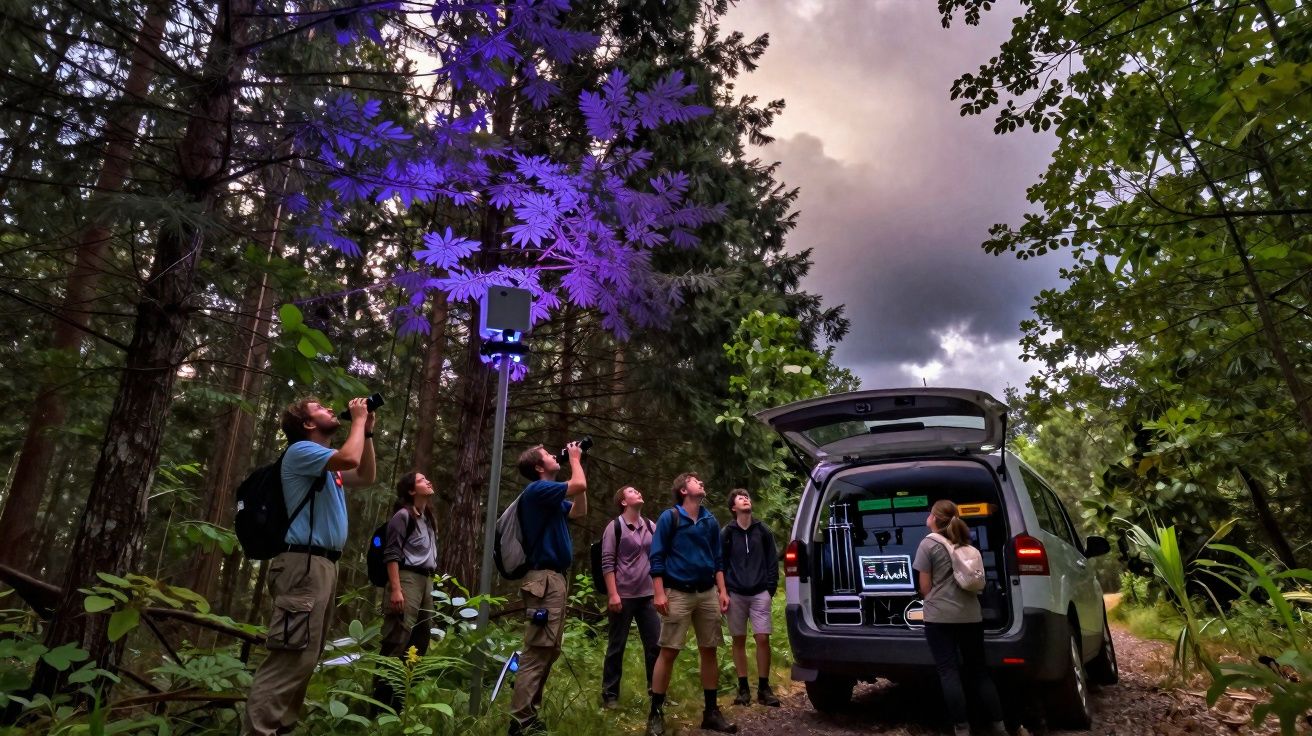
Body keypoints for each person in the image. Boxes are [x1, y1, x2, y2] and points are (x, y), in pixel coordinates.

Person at [243, 396, 377, 736]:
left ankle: (280, 730)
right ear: (307, 424)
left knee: (305, 657)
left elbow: (364, 474)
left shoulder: (324, 465)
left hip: (320, 567)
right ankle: (258, 731)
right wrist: (358, 420)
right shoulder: (301, 452)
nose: (332, 410)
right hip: (302, 564)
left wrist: (368, 432)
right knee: (290, 657)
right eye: (321, 409)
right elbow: (349, 456)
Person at [645, 472, 737, 736]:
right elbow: (657, 556)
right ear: (683, 490)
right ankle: (655, 714)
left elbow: (717, 558)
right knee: (669, 651)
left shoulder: (709, 520)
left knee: (709, 649)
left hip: (707, 592)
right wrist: (659, 593)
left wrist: (722, 590)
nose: (701, 483)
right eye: (695, 481)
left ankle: (711, 712)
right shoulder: (669, 518)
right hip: (678, 593)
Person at [508, 442, 587, 736]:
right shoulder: (537, 491)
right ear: (539, 468)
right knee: (537, 650)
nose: (557, 456)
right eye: (549, 456)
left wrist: (579, 467)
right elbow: (577, 484)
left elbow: (579, 510)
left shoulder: (550, 496)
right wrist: (576, 461)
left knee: (549, 649)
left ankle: (529, 715)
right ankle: (520, 722)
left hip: (553, 580)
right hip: (543, 581)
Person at [914, 500, 1007, 736]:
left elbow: (924, 586)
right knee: (978, 671)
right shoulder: (967, 545)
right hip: (971, 616)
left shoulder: (928, 544)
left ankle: (962, 728)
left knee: (949, 671)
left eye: (930, 513)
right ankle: (999, 726)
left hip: (939, 618)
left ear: (934, 518)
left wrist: (933, 598)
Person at [372, 471, 439, 713]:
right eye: (422, 480)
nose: (428, 481)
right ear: (411, 491)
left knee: (420, 640)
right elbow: (392, 553)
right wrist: (396, 590)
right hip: (406, 578)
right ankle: (379, 706)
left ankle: (400, 701)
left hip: (426, 581)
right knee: (397, 639)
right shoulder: (402, 516)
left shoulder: (427, 517)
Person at [599, 485, 659, 708]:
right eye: (632, 492)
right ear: (623, 502)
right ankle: (610, 695)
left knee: (654, 645)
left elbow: (658, 559)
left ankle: (657, 692)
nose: (639, 493)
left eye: (638, 491)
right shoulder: (614, 527)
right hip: (623, 596)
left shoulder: (651, 526)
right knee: (617, 645)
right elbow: (607, 563)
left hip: (648, 595)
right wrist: (613, 594)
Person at [721, 489, 780, 708]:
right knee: (738, 640)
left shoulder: (762, 530)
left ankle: (764, 688)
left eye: (747, 496)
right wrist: (723, 591)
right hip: (735, 593)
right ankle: (743, 687)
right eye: (740, 497)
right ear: (733, 507)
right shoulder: (727, 532)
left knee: (763, 638)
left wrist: (769, 588)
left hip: (759, 593)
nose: (746, 498)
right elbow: (721, 563)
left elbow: (772, 560)